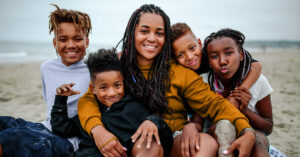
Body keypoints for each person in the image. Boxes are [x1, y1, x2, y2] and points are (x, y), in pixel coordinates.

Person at [78, 4, 256, 157]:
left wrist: (246, 131)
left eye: (159, 33)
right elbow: (88, 99)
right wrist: (97, 130)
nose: (152, 38)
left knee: (205, 143)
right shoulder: (117, 65)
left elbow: (215, 105)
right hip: (132, 140)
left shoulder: (179, 73)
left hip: (172, 140)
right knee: (148, 144)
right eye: (144, 31)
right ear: (132, 32)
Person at [0, 4, 91, 157]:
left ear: (87, 42)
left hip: (67, 139)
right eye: (63, 39)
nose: (71, 45)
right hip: (43, 126)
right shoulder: (46, 67)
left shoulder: (94, 70)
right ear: (55, 43)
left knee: (7, 140)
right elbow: (49, 105)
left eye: (77, 39)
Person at [51, 48, 173, 157]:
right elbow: (61, 128)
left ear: (123, 83)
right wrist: (60, 100)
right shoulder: (89, 114)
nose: (112, 93)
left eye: (117, 85)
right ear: (93, 89)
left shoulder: (135, 107)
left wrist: (153, 122)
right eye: (103, 88)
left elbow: (164, 135)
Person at [170, 23, 262, 157]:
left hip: (219, 107)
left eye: (192, 48)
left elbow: (256, 65)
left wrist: (239, 91)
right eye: (180, 55)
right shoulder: (180, 72)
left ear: (199, 43)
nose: (190, 57)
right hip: (199, 115)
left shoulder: (211, 57)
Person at [202, 28, 273, 156]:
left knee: (257, 146)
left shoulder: (258, 82)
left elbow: (268, 127)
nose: (222, 61)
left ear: (241, 54)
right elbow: (201, 124)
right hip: (216, 132)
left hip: (254, 132)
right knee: (224, 129)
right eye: (214, 56)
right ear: (209, 62)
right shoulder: (205, 82)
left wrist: (244, 109)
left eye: (228, 53)